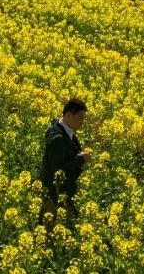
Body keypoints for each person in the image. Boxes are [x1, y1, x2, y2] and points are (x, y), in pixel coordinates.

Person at [38, 98, 92, 229]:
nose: (82, 122)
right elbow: (57, 168)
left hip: (62, 193)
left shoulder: (64, 130)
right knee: (52, 230)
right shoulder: (58, 137)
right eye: (80, 117)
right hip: (55, 195)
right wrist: (81, 159)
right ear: (68, 115)